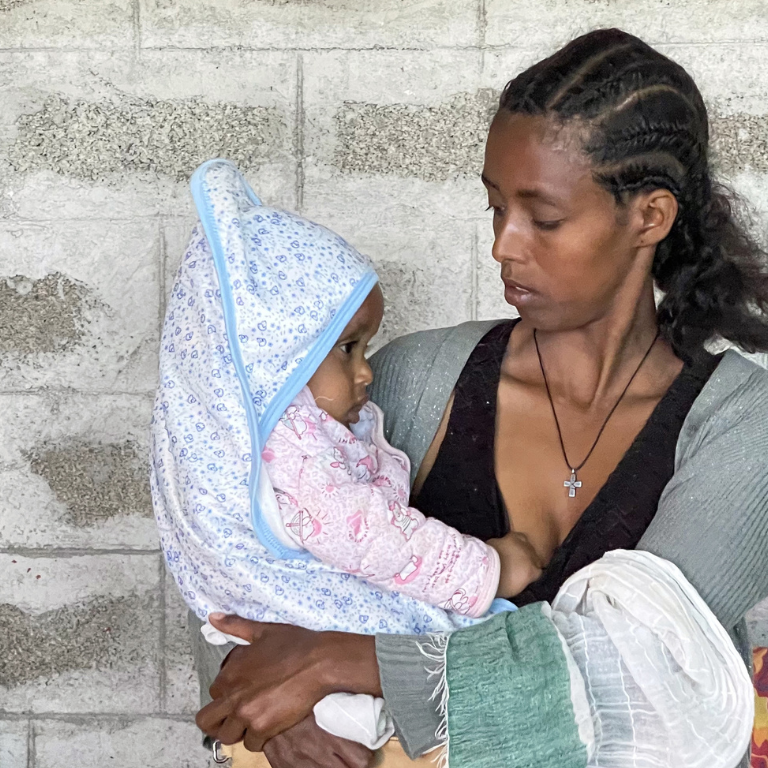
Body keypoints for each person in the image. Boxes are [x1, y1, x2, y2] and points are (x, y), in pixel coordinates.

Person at [192, 28, 768, 768]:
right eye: (496, 207)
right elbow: (239, 548)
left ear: (649, 218)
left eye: (544, 217)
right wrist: (276, 718)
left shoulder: (742, 423)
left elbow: (637, 666)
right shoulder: (410, 378)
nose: (504, 244)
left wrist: (344, 664)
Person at [151, 160, 537, 754]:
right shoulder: (295, 451)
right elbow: (378, 539)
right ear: (278, 363)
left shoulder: (231, 441)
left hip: (285, 660)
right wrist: (486, 569)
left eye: (366, 347)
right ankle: (360, 716)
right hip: (319, 655)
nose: (366, 373)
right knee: (499, 654)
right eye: (346, 350)